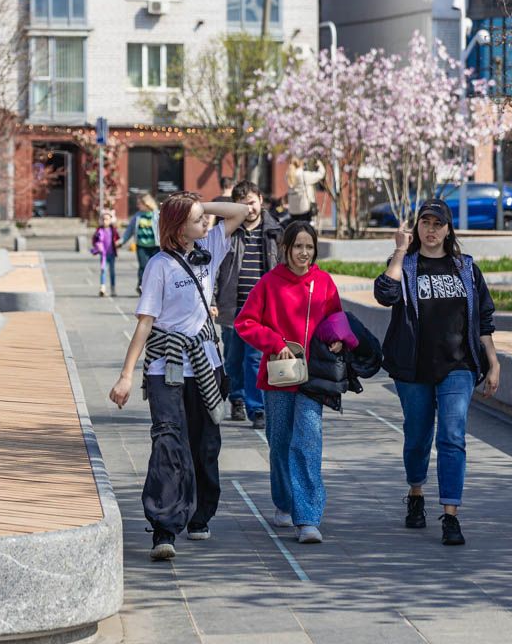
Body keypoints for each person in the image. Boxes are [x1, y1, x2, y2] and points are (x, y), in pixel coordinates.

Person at [109, 192, 251, 561]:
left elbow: (240, 211)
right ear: (177, 228)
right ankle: (164, 527)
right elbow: (145, 323)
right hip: (166, 366)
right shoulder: (159, 266)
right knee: (169, 443)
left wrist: (201, 206)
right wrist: (126, 376)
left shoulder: (209, 249)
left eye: (204, 218)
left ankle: (200, 515)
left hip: (204, 364)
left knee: (206, 442)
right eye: (196, 220)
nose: (206, 223)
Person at [373, 199, 500, 546]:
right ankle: (416, 493)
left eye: (437, 223)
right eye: (424, 223)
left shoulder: (466, 268)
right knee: (417, 437)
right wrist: (399, 253)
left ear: (448, 229)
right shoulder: (407, 265)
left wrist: (493, 360)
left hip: (458, 366)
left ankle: (451, 516)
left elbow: (484, 319)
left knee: (453, 436)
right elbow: (385, 294)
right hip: (413, 368)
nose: (430, 230)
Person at [235, 221, 351, 544]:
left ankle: (308, 516)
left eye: (309, 247)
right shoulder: (269, 283)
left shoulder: (324, 282)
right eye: (297, 246)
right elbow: (244, 322)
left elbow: (336, 320)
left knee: (309, 440)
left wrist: (337, 341)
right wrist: (274, 342)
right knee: (280, 441)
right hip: (279, 375)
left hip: (314, 376)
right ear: (285, 249)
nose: (303, 253)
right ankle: (284, 500)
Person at [214, 180, 284, 427]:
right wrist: (212, 301)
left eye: (252, 203)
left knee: (255, 359)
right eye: (242, 205)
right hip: (232, 306)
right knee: (232, 358)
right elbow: (214, 270)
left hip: (262, 310)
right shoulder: (226, 232)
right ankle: (237, 399)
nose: (249, 209)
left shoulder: (275, 231)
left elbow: (285, 268)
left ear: (261, 201)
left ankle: (257, 408)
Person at [120, 194, 160, 294]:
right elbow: (129, 230)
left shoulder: (157, 214)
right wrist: (122, 241)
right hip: (141, 246)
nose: (138, 206)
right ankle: (141, 285)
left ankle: (155, 287)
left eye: (139, 203)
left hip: (155, 246)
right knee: (143, 266)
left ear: (146, 203)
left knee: (155, 267)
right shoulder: (137, 216)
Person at [286, 159, 325, 224]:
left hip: (293, 210)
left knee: (295, 230)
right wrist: (320, 164)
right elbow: (321, 174)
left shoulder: (288, 176)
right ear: (300, 164)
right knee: (305, 230)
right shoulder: (304, 175)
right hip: (304, 209)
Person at [90, 209, 119, 297]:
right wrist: (97, 245)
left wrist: (118, 244)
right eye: (103, 219)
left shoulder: (113, 230)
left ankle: (113, 289)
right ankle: (102, 287)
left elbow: (117, 239)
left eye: (107, 219)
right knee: (103, 270)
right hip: (103, 255)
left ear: (111, 220)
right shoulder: (99, 230)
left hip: (112, 254)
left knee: (112, 272)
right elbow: (94, 240)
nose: (105, 221)